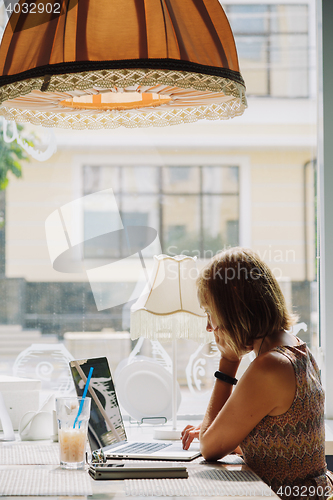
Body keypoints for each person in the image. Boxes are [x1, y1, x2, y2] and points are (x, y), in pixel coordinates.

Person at [181, 247, 333, 499]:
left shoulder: (269, 366)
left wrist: (228, 361)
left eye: (210, 313)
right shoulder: (296, 348)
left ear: (233, 307)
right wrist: (228, 431)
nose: (209, 326)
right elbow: (281, 441)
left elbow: (208, 449)